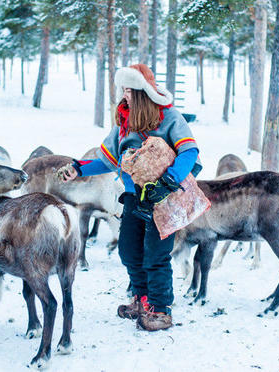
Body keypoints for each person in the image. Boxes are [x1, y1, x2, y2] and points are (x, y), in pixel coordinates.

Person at [59, 64, 201, 331]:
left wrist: (169, 181)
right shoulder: (124, 124)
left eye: (130, 89)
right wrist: (78, 168)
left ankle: (160, 309)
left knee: (155, 255)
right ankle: (142, 298)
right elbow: (107, 160)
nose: (125, 95)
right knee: (128, 250)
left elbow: (189, 152)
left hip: (164, 197)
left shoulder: (169, 117)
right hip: (135, 197)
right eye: (123, 89)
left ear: (144, 91)